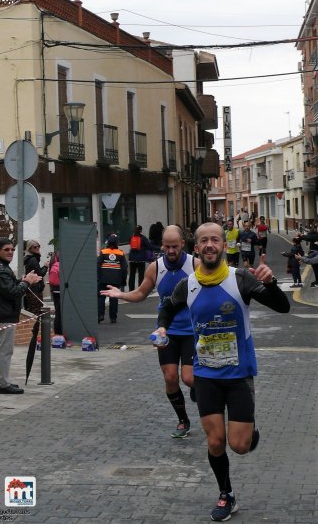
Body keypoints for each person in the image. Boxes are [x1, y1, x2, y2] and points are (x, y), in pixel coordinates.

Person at [156, 222, 290, 522]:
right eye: (203, 241)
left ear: (222, 245)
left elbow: (283, 308)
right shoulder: (187, 285)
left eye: (215, 239)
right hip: (206, 376)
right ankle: (226, 494)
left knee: (239, 446)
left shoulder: (239, 278)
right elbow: (167, 308)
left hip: (239, 375)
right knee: (215, 442)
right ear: (197, 248)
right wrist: (162, 326)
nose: (209, 245)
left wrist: (269, 284)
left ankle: (249, 430)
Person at [101, 225, 200, 437]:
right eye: (167, 246)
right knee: (171, 377)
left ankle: (198, 388)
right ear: (162, 245)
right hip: (166, 332)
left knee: (189, 378)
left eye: (175, 246)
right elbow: (141, 293)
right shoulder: (155, 268)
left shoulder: (195, 265)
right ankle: (183, 420)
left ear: (182, 243)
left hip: (192, 331)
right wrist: (121, 295)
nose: (170, 251)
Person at [0, 238, 42, 394]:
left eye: (12, 249)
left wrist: (22, 280)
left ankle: (2, 380)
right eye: (6, 249)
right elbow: (13, 292)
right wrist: (27, 283)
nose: (10, 252)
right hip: (3, 313)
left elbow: (8, 285)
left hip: (1, 312)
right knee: (4, 350)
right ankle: (2, 383)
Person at [97, 234, 128, 323]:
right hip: (115, 279)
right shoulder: (120, 253)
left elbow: (98, 265)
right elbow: (124, 268)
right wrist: (123, 280)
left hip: (103, 279)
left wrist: (98, 277)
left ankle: (100, 315)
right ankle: (113, 317)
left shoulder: (103, 252)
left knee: (101, 296)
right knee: (114, 298)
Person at [24, 240, 49, 315]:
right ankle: (35, 327)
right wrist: (45, 266)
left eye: (38, 246)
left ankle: (34, 326)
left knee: (33, 310)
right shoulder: (33, 259)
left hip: (32, 288)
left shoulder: (31, 259)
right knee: (36, 312)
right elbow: (40, 274)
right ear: (30, 249)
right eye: (35, 247)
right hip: (35, 289)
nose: (37, 248)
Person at [128, 225, 152, 291]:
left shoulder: (131, 237)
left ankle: (131, 289)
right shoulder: (143, 238)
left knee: (132, 274)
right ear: (141, 231)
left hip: (132, 259)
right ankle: (140, 289)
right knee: (141, 274)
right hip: (141, 259)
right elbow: (149, 246)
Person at [48, 251, 62, 334]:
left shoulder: (53, 261)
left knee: (58, 312)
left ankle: (57, 332)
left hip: (54, 290)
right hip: (60, 290)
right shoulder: (60, 263)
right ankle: (59, 331)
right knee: (60, 312)